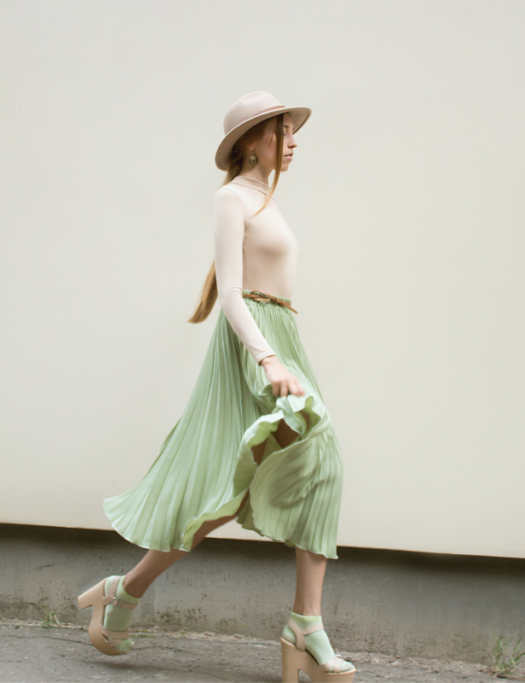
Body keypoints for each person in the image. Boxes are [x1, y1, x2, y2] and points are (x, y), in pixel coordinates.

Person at [77, 91, 356, 683]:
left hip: (282, 333)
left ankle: (301, 623)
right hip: (253, 347)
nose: (294, 141)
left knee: (305, 466)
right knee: (226, 483)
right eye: (285, 131)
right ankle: (125, 593)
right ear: (255, 139)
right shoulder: (232, 198)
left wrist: (281, 351)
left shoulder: (270, 201)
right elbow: (231, 291)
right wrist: (267, 360)